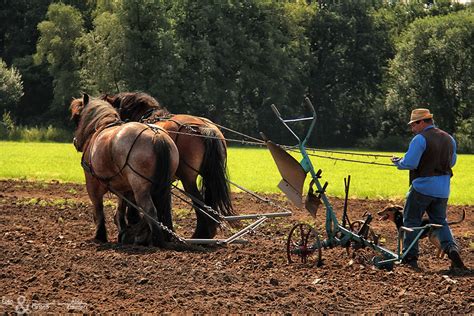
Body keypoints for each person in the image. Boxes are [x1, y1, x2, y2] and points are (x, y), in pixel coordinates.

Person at [391, 108, 466, 271]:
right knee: (440, 221)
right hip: (443, 189)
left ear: (422, 122)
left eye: (414, 124)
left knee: (411, 220)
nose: (412, 128)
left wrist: (398, 163)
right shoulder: (449, 139)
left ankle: (410, 257)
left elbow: (410, 163)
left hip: (422, 187)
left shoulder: (419, 139)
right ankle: (451, 249)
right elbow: (451, 162)